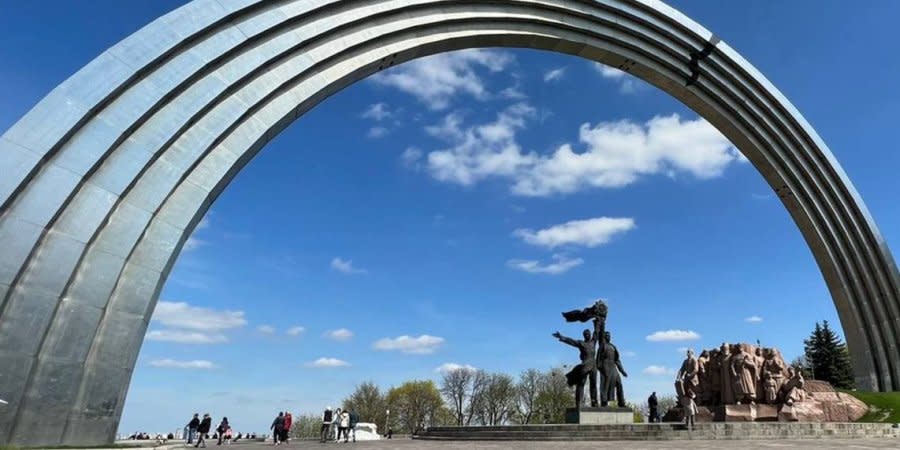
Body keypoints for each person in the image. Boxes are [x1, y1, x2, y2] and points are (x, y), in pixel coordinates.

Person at [551, 317, 603, 408]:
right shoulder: (581, 343)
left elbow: (596, 333)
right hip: (585, 364)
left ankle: (594, 402)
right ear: (584, 335)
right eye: (586, 334)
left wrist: (597, 322)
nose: (588, 335)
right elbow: (571, 341)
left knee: (593, 384)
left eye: (589, 333)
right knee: (581, 383)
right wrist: (562, 337)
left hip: (593, 365)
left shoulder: (593, 342)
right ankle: (579, 403)